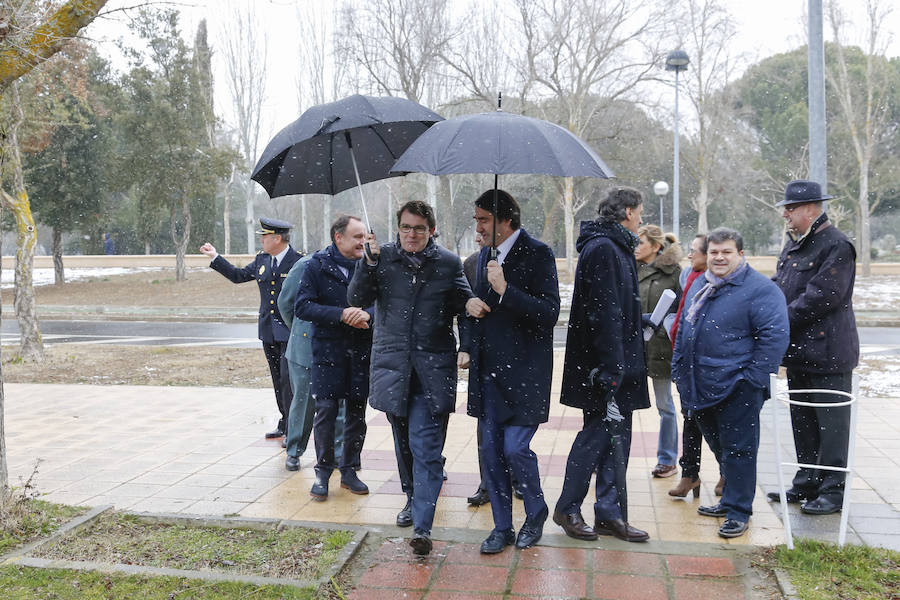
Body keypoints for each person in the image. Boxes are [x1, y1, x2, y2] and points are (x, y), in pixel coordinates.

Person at [348, 200, 478, 556]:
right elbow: (356, 297)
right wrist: (368, 263)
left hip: (433, 369)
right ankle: (411, 497)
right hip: (393, 367)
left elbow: (465, 305)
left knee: (427, 449)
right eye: (406, 227)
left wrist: (466, 345)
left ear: (431, 230)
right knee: (403, 441)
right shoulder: (382, 258)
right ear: (397, 229)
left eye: (419, 228)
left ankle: (423, 525)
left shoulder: (448, 263)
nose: (411, 234)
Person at [672, 227, 789, 538]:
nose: (719, 257)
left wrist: (750, 381)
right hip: (701, 386)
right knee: (722, 449)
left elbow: (773, 339)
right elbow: (686, 330)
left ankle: (739, 511)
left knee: (739, 451)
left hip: (738, 388)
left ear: (741, 255)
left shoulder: (760, 289)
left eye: (727, 252)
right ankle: (730, 501)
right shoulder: (704, 285)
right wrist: (679, 370)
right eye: (714, 252)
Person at [460, 190, 560, 553]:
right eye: (476, 220)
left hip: (525, 371)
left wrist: (507, 290)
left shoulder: (539, 253)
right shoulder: (483, 257)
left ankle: (535, 512)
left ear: (506, 220)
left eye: (483, 220)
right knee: (490, 453)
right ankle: (501, 527)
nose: (478, 228)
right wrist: (467, 336)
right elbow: (473, 309)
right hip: (488, 373)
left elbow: (549, 313)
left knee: (516, 449)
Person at [553, 186, 652, 544]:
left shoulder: (613, 246)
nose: (641, 218)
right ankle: (568, 507)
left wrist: (640, 318)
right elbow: (603, 311)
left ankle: (609, 512)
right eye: (640, 211)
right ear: (628, 211)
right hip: (607, 369)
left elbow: (616, 307)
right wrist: (612, 366)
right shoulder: (605, 248)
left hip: (616, 363)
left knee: (616, 439)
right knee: (597, 438)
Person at [768, 180, 859, 515]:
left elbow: (822, 296)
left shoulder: (837, 245)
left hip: (830, 354)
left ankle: (833, 492)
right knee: (803, 421)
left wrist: (778, 319)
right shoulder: (796, 245)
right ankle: (807, 482)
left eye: (790, 209)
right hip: (801, 353)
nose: (785, 214)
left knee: (832, 427)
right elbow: (780, 286)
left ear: (811, 209)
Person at [200, 218, 302, 439]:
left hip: (291, 331)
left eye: (265, 236)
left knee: (288, 380)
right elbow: (238, 276)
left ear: (277, 238)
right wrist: (215, 257)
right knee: (277, 379)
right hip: (268, 331)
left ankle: (295, 428)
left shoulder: (299, 261)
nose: (262, 240)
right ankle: (284, 421)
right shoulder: (262, 259)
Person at [296, 215, 373, 501]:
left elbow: (384, 302)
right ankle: (323, 471)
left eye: (364, 236)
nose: (362, 242)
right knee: (326, 412)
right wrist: (340, 314)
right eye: (357, 237)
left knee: (357, 413)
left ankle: (349, 469)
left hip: (361, 351)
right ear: (338, 237)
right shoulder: (316, 265)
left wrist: (368, 315)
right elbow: (303, 306)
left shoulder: (370, 265)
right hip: (328, 353)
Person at [666, 233, 724, 499]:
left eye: (694, 251)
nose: (689, 255)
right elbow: (682, 318)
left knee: (715, 424)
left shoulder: (721, 283)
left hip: (711, 366)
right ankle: (690, 474)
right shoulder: (689, 278)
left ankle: (727, 474)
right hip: (687, 362)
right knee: (690, 421)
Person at [278, 254, 346, 472]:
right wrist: (299, 330)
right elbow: (286, 302)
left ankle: (336, 453)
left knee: (339, 404)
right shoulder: (308, 264)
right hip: (305, 346)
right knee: (304, 402)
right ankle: (294, 450)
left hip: (338, 346)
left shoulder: (356, 265)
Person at [635, 225, 682, 479]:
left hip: (661, 348)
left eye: (640, 243)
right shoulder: (630, 268)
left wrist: (663, 329)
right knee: (620, 406)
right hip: (634, 347)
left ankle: (667, 460)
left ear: (655, 246)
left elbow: (682, 310)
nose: (635, 247)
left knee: (665, 406)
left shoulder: (673, 273)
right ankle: (610, 457)